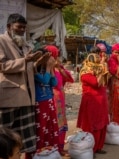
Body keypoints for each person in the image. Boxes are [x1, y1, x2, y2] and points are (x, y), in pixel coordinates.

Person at [0, 13, 50, 155]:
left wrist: (38, 63)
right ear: (9, 27)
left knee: (21, 141)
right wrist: (26, 60)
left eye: (24, 28)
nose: (22, 30)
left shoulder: (25, 44)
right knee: (5, 140)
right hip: (8, 99)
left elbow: (28, 69)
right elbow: (2, 66)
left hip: (26, 98)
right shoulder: (1, 41)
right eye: (19, 27)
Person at [77, 53, 109, 154]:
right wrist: (102, 68)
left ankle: (98, 146)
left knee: (102, 124)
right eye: (98, 59)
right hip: (92, 102)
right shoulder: (85, 72)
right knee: (92, 125)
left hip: (101, 101)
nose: (100, 60)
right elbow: (96, 83)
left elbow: (106, 80)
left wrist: (103, 67)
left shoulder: (98, 70)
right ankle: (91, 149)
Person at [46, 45, 74, 156]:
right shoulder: (47, 69)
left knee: (62, 124)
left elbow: (70, 79)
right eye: (56, 56)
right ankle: (54, 149)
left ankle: (60, 147)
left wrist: (60, 68)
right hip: (52, 99)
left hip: (61, 100)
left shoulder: (58, 68)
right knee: (54, 125)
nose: (57, 59)